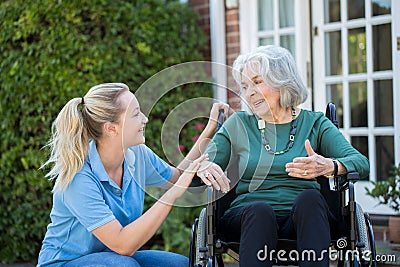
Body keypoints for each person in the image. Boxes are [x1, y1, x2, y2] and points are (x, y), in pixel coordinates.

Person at [196, 45, 369, 267]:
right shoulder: (239, 124)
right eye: (245, 86)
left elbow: (361, 163)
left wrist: (330, 166)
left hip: (303, 220)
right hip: (247, 219)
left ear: (281, 80)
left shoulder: (315, 123)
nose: (249, 93)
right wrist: (204, 166)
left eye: (257, 82)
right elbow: (204, 163)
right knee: (260, 211)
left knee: (311, 199)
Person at [37, 83, 230, 267]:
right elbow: (123, 245)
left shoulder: (137, 154)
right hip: (66, 262)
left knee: (180, 264)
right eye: (136, 114)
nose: (145, 118)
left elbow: (178, 177)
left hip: (111, 256)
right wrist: (173, 194)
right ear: (111, 128)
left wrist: (211, 127)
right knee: (123, 265)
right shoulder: (79, 179)